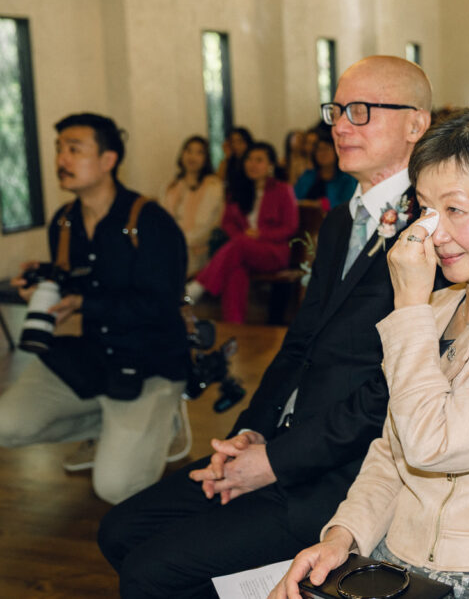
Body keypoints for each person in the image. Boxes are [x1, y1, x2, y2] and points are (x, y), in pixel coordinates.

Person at [98, 56, 434, 598]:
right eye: (337, 110)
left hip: (343, 477)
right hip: (281, 443)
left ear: (416, 124)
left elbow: (394, 391)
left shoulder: (432, 230)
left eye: (361, 111)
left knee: (149, 573)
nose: (340, 125)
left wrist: (276, 463)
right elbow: (300, 343)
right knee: (120, 529)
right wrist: (250, 435)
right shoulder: (342, 220)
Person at [271, 107, 469, 599]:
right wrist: (343, 537)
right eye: (425, 209)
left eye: (456, 210)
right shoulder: (441, 307)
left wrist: (408, 306)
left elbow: (432, 444)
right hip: (399, 558)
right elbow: (392, 450)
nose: (433, 233)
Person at [0, 113, 190, 505]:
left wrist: (84, 302)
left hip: (150, 363)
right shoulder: (65, 222)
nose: (61, 159)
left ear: (108, 160)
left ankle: (161, 421)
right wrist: (43, 281)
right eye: (58, 149)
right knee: (6, 425)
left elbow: (160, 305)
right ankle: (111, 424)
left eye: (74, 149)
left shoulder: (149, 221)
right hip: (95, 356)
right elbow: (81, 280)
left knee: (116, 488)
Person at [185, 142, 298, 323]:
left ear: (270, 165)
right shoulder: (238, 191)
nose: (252, 164)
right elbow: (228, 223)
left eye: (259, 160)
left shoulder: (283, 190)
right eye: (249, 159)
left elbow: (290, 226)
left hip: (273, 252)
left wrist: (260, 235)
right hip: (243, 251)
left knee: (238, 247)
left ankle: (198, 286)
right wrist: (243, 238)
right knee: (235, 271)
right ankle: (235, 326)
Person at [160, 135, 224, 276]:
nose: (192, 156)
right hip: (172, 244)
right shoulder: (173, 186)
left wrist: (182, 241)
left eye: (199, 152)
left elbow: (208, 223)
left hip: (198, 248)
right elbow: (163, 220)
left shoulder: (213, 186)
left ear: (206, 158)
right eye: (188, 151)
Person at [293, 123, 357, 210]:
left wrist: (321, 204)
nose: (323, 153)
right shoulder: (308, 176)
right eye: (319, 150)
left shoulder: (347, 178)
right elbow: (294, 200)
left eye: (326, 149)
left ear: (336, 151)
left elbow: (348, 205)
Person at [217, 126, 253, 202]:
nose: (235, 145)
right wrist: (227, 157)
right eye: (232, 142)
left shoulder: (252, 160)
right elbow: (218, 182)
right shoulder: (230, 161)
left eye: (240, 141)